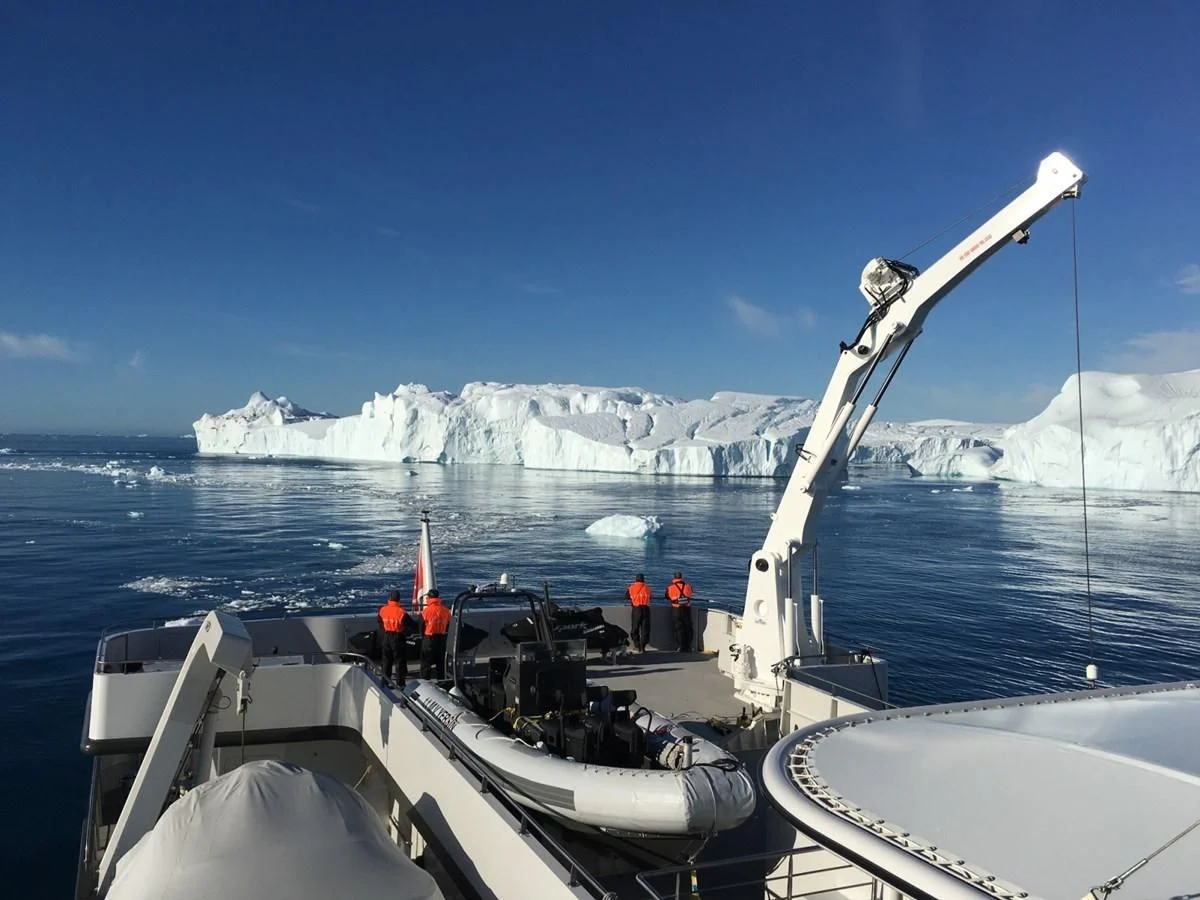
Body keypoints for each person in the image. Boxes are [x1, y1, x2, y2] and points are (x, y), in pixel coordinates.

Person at [377, 590, 408, 684]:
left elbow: (379, 621)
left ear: (389, 598)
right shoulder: (401, 612)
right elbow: (410, 624)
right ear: (399, 599)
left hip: (386, 636)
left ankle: (385, 682)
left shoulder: (383, 610)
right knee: (399, 661)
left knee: (386, 661)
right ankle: (400, 683)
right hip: (397, 637)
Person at [420, 588, 452, 679]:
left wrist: (423, 637)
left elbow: (421, 626)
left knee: (426, 662)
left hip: (429, 639)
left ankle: (425, 682)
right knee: (441, 662)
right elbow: (449, 624)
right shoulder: (446, 611)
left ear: (429, 598)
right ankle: (441, 681)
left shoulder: (426, 612)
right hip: (441, 639)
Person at [664, 571, 694, 653]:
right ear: (681, 577)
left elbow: (667, 596)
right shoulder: (688, 586)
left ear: (674, 578)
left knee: (678, 628)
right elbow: (691, 593)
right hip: (686, 609)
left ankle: (681, 646)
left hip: (676, 609)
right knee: (688, 627)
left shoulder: (670, 587)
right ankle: (688, 646)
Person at [625, 573, 652, 653]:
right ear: (643, 579)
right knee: (645, 629)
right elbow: (650, 597)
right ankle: (643, 647)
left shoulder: (631, 587)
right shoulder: (647, 588)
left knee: (635, 628)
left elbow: (626, 596)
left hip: (636, 609)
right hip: (646, 609)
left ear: (636, 579)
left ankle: (637, 646)